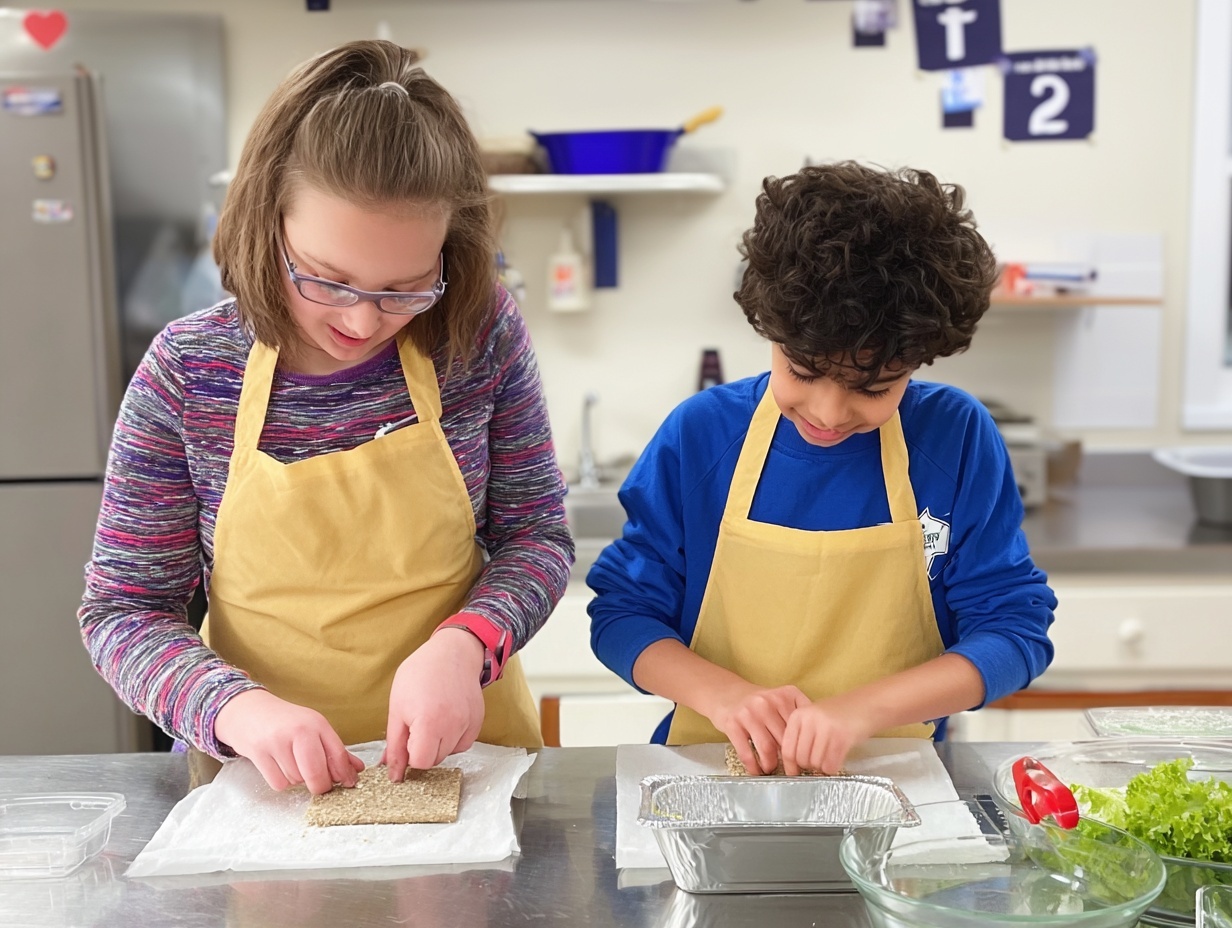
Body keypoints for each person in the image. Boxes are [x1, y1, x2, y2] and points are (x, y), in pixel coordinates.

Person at [78, 40, 573, 795]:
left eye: (407, 287)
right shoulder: (189, 370)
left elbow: (536, 537)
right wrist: (236, 708)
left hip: (472, 766)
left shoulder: (478, 333)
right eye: (328, 278)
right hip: (259, 785)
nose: (363, 319)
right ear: (267, 218)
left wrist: (466, 645)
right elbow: (124, 610)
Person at [588, 162, 1056, 777]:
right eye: (804, 372)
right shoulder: (702, 436)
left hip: (901, 781)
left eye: (876, 386)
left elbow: (1014, 629)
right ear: (769, 329)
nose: (830, 413)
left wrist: (862, 711)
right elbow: (623, 613)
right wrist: (722, 695)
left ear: (920, 360)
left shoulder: (955, 438)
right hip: (710, 772)